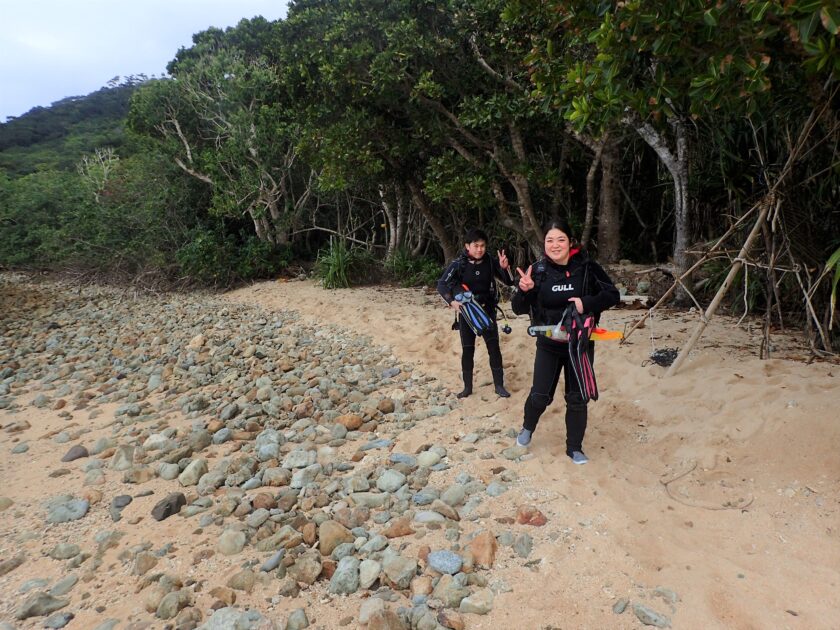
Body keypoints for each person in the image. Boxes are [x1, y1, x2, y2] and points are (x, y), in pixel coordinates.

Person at [511, 218, 620, 464]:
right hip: (549, 345)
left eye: (560, 239)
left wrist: (586, 303)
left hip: (579, 344)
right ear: (544, 244)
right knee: (540, 396)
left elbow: (612, 295)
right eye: (550, 240)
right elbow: (518, 308)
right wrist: (524, 291)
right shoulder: (538, 271)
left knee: (577, 398)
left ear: (570, 242)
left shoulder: (588, 268)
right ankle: (527, 428)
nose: (555, 245)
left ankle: (575, 448)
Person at [437, 228, 514, 399]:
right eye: (475, 246)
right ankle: (467, 388)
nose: (479, 249)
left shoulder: (491, 262)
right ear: (467, 246)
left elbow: (509, 281)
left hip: (487, 310)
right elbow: (442, 285)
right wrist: (452, 302)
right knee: (468, 350)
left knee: (494, 348)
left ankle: (499, 386)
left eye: (482, 246)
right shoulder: (458, 264)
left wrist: (505, 267)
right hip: (468, 313)